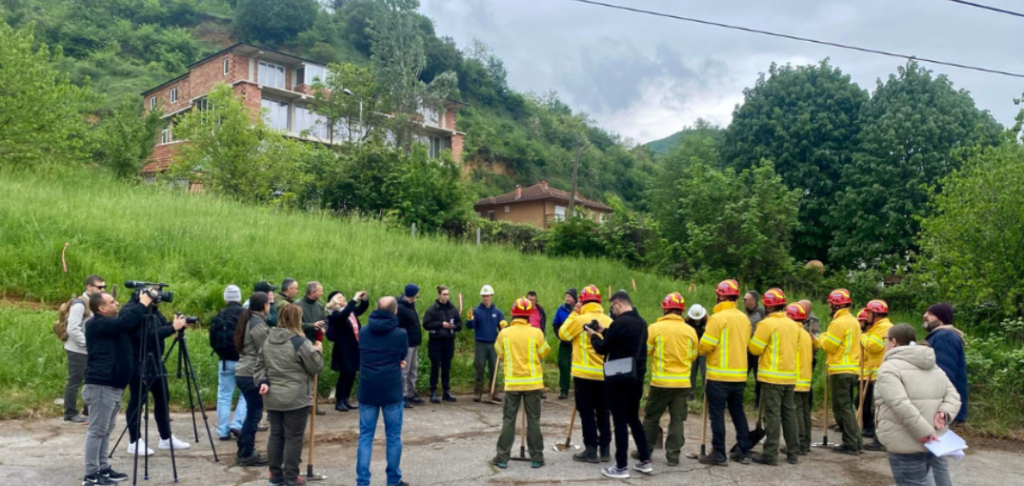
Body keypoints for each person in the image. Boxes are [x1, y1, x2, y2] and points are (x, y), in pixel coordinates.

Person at [876, 324, 961, 486]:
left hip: (906, 441)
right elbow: (953, 396)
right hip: (933, 441)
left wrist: (925, 432)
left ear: (893, 342)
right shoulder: (933, 367)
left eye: (885, 340)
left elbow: (899, 404)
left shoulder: (889, 368)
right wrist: (944, 412)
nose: (885, 343)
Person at [81, 290, 150, 486]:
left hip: (113, 385)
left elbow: (129, 323)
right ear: (102, 308)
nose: (117, 303)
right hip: (101, 385)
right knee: (97, 430)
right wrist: (143, 303)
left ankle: (103, 468)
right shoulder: (97, 324)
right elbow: (125, 322)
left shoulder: (111, 326)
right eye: (112, 302)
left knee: (106, 430)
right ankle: (90, 475)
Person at [257, 304, 324, 486]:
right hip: (296, 397)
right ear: (297, 320)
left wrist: (263, 381)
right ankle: (291, 477)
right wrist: (318, 354)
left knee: (276, 436)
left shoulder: (268, 339)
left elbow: (259, 365)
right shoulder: (301, 342)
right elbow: (316, 367)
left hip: (273, 397)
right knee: (293, 437)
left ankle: (275, 475)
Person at [588, 290, 650, 478]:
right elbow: (621, 340)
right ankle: (645, 460)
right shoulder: (642, 323)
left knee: (620, 421)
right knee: (633, 418)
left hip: (618, 378)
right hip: (636, 377)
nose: (612, 311)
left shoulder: (619, 323)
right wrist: (603, 331)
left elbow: (602, 348)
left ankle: (621, 466)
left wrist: (592, 336)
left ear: (619, 304)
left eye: (613, 307)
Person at [123, 289, 190, 456]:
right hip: (138, 361)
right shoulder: (130, 311)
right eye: (155, 294)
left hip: (156, 362)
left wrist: (177, 325)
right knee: (137, 401)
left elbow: (162, 327)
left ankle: (166, 438)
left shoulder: (152, 310)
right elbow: (144, 336)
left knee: (162, 398)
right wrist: (172, 329)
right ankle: (134, 441)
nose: (159, 298)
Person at [639, 292, 698, 467]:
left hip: (661, 383)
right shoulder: (690, 331)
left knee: (651, 418)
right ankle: (673, 457)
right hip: (682, 384)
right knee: (677, 420)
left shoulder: (655, 328)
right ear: (681, 310)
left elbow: (646, 351)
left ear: (665, 308)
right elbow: (694, 356)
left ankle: (645, 452)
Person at [698, 279, 753, 465]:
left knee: (717, 415)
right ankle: (744, 451)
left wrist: (698, 346)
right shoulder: (743, 318)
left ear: (721, 295)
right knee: (738, 412)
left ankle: (718, 453)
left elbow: (706, 345)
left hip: (719, 377)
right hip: (738, 376)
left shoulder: (717, 318)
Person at [491, 297, 550, 469]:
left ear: (512, 313)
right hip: (533, 385)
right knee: (534, 421)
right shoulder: (537, 333)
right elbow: (544, 353)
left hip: (512, 384)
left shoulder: (504, 334)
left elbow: (500, 354)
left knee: (509, 420)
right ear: (530, 314)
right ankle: (537, 457)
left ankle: (502, 457)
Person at [356, 297, 410, 486]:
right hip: (391, 389)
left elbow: (362, 352)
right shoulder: (400, 334)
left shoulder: (364, 331)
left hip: (368, 387)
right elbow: (402, 355)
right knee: (393, 437)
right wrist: (396, 361)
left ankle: (362, 481)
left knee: (365, 436)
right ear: (395, 311)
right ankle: (393, 480)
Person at [558, 284, 614, 464]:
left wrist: (574, 313)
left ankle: (591, 450)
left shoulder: (579, 318)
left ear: (581, 302)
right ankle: (605, 451)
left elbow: (563, 334)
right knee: (604, 412)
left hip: (584, 375)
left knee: (587, 413)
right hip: (606, 374)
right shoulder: (609, 321)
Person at [748, 288, 800, 466]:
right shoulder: (793, 324)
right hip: (790, 377)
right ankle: (793, 453)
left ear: (768, 307)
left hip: (772, 378)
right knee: (789, 414)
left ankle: (770, 454)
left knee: (772, 416)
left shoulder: (766, 324)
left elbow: (755, 349)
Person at [818, 288, 863, 455]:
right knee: (848, 408)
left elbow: (830, 345)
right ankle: (856, 441)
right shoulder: (853, 320)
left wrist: (822, 337)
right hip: (851, 370)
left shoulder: (838, 323)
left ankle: (850, 443)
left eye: (830, 304)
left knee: (842, 409)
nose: (828, 307)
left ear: (835, 305)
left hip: (840, 370)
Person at [233, 292, 272, 466]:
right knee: (254, 414)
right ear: (265, 306)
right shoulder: (258, 325)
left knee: (252, 413)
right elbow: (266, 350)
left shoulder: (250, 320)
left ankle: (244, 449)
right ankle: (247, 453)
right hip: (251, 374)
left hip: (244, 372)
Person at [64, 274, 105, 424]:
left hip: (89, 350)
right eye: (99, 287)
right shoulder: (80, 304)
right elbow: (72, 329)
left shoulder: (93, 303)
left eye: (104, 287)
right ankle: (70, 413)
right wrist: (88, 343)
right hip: (77, 350)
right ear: (89, 287)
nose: (102, 290)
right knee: (75, 381)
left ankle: (88, 411)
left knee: (91, 380)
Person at [209, 285, 248, 441]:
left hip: (224, 361)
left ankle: (222, 431)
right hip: (243, 361)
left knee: (224, 396)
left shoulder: (218, 316)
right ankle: (237, 424)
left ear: (225, 299)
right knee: (245, 394)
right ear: (239, 298)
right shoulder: (245, 315)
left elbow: (212, 340)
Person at [923, 303, 968, 425]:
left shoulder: (944, 336)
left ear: (942, 319)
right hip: (942, 402)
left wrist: (941, 406)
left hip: (942, 403)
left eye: (931, 314)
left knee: (938, 439)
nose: (925, 316)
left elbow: (944, 372)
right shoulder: (940, 335)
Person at [326, 290, 369, 412]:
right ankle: (339, 401)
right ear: (333, 301)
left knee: (352, 374)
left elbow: (361, 309)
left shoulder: (349, 312)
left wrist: (364, 299)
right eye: (340, 297)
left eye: (343, 297)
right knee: (344, 374)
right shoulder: (334, 314)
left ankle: (346, 399)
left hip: (354, 346)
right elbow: (343, 315)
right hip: (343, 349)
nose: (343, 298)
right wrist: (354, 299)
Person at [862, 300, 895, 451]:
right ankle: (878, 438)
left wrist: (862, 337)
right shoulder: (877, 328)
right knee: (876, 408)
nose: (866, 315)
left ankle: (881, 440)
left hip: (881, 374)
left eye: (868, 312)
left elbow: (873, 347)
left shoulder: (884, 328)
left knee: (880, 409)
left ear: (875, 314)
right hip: (875, 373)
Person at [422, 285, 462, 403]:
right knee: (435, 366)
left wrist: (454, 326)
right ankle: (433, 391)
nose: (446, 296)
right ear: (439, 295)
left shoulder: (452, 309)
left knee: (446, 367)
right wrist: (441, 324)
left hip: (449, 341)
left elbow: (459, 324)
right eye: (444, 294)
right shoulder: (432, 309)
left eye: (448, 294)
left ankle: (446, 391)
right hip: (436, 341)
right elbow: (426, 324)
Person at [466, 284, 504, 403]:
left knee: (494, 368)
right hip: (480, 343)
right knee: (479, 367)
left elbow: (502, 328)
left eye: (487, 296)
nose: (485, 298)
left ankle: (493, 391)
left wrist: (504, 326)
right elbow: (470, 326)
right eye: (483, 296)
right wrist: (469, 320)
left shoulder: (497, 312)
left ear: (492, 296)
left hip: (493, 344)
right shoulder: (477, 311)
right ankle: (478, 392)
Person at [786, 302, 815, 457]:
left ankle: (799, 443)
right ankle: (805, 443)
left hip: (795, 378)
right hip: (805, 378)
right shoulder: (804, 333)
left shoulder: (793, 333)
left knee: (796, 413)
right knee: (804, 412)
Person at [296, 281, 327, 415]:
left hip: (316, 344)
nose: (322, 293)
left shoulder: (319, 306)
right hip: (302, 343)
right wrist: (311, 325)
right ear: (313, 292)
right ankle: (301, 404)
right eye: (320, 291)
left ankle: (313, 404)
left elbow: (325, 322)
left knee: (316, 374)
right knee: (302, 375)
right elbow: (295, 324)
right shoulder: (297, 305)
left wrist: (324, 329)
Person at [396, 284, 423, 408]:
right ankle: (403, 395)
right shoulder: (401, 308)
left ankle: (412, 393)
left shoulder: (411, 306)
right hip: (406, 343)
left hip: (414, 342)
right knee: (404, 371)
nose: (418, 295)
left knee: (413, 369)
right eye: (417, 293)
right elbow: (397, 325)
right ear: (413, 294)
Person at [551, 288, 578, 400]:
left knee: (577, 367)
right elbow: (555, 324)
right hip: (565, 343)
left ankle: (578, 389)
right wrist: (561, 336)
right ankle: (564, 390)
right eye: (566, 296)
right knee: (563, 365)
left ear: (574, 298)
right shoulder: (561, 309)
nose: (567, 298)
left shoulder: (579, 310)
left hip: (577, 343)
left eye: (569, 296)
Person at [744, 290, 765, 407]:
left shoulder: (762, 313)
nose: (743, 302)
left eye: (746, 299)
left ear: (753, 301)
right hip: (746, 350)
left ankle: (758, 403)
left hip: (757, 351)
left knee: (758, 378)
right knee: (742, 375)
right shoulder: (745, 312)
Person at [685, 304, 708, 401]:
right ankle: (690, 393)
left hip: (703, 351)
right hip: (691, 350)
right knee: (691, 372)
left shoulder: (708, 322)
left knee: (704, 373)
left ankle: (706, 394)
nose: (697, 320)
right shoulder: (687, 322)